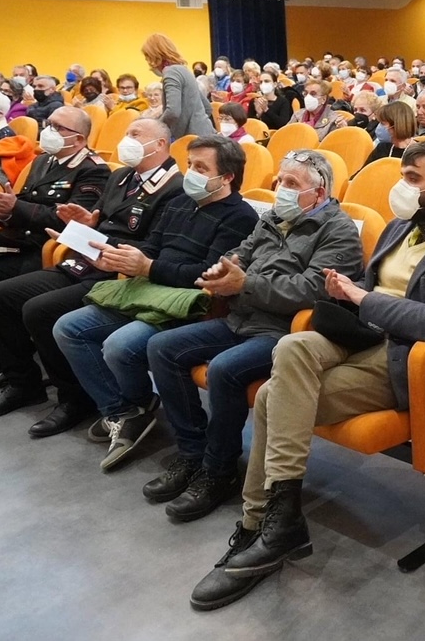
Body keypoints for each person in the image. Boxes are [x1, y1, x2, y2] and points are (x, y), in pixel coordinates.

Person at [188, 141, 425, 610]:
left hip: (401, 355)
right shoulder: (398, 227)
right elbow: (367, 291)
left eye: (412, 179)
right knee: (292, 345)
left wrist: (363, 298)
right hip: (359, 336)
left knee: (272, 398)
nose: (401, 186)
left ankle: (258, 525)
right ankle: (279, 523)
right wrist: (345, 293)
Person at [144, 150, 364, 521]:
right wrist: (224, 269)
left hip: (283, 330)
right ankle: (193, 453)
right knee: (162, 348)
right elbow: (241, 252)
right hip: (239, 318)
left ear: (319, 192)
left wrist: (244, 285)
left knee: (225, 369)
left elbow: (312, 290)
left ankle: (219, 471)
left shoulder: (338, 231)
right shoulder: (274, 218)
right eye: (280, 181)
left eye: (293, 185)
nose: (281, 190)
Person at [0, 119, 183, 434]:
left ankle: (74, 398)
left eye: (135, 134)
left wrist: (98, 240)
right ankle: (22, 382)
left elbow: (155, 247)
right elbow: (101, 221)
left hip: (120, 273)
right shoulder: (122, 176)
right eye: (126, 132)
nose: (126, 140)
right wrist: (83, 225)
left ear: (160, 144)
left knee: (39, 310)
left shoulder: (175, 188)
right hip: (85, 260)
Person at [52, 136, 258, 471]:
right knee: (69, 328)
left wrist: (148, 267)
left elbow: (207, 274)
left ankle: (136, 408)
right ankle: (126, 411)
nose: (190, 173)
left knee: (119, 346)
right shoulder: (180, 201)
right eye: (189, 165)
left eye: (201, 168)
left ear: (227, 177)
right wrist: (111, 254)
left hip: (185, 303)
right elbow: (152, 245)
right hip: (148, 290)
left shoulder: (240, 217)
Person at [0, 107, 111, 398]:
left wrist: (16, 208)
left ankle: (10, 368)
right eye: (48, 124)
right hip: (19, 239)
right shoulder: (43, 161)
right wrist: (3, 210)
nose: (48, 130)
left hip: (48, 248)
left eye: (58, 127)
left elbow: (68, 220)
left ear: (78, 139)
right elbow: (21, 204)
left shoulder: (94, 169)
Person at [142, 33, 216, 139]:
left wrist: (155, 127)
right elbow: (207, 107)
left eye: (147, 57)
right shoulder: (184, 70)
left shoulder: (171, 73)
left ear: (155, 55)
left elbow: (173, 112)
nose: (148, 62)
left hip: (189, 140)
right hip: (206, 133)